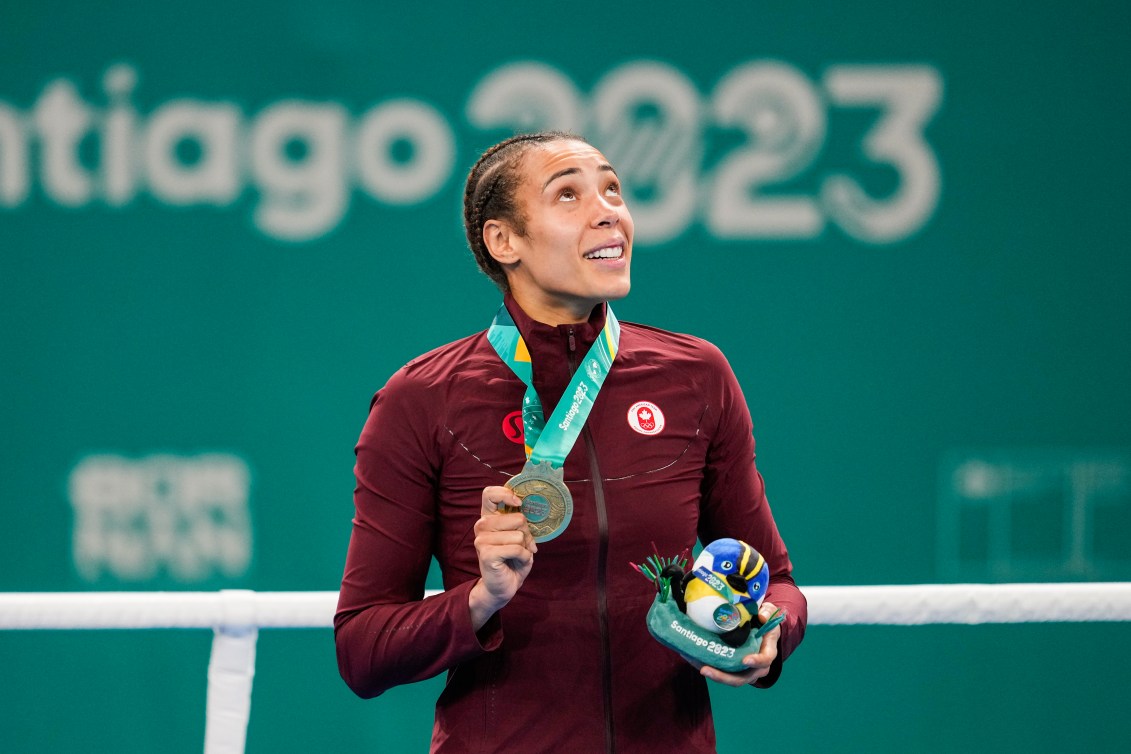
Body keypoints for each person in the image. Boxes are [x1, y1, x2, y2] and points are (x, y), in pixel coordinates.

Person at [335, 131, 806, 753]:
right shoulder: (423, 400)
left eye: (613, 189)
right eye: (568, 195)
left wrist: (769, 634)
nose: (608, 209)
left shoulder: (696, 375)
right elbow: (363, 649)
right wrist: (479, 601)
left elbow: (776, 582)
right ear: (504, 241)